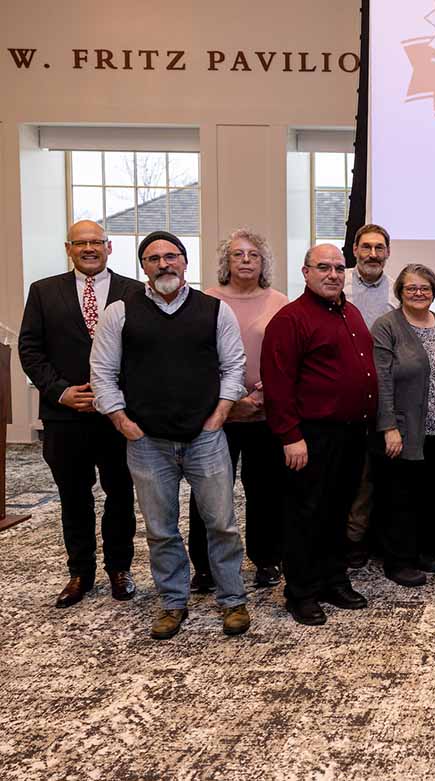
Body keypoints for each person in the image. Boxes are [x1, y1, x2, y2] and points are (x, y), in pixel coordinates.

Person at [90, 231, 250, 640]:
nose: (164, 264)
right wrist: (124, 424)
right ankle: (172, 603)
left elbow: (234, 367)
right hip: (147, 443)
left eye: (172, 256)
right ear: (143, 266)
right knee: (161, 529)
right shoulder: (120, 312)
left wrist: (218, 416)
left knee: (222, 524)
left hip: (206, 438)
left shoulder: (215, 310)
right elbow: (103, 375)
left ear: (185, 262)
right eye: (154, 258)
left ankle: (232, 600)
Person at [18, 220, 141, 608]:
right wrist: (61, 392)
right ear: (68, 248)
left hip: (117, 415)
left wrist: (119, 397)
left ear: (109, 247)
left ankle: (119, 569)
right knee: (73, 496)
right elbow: (30, 349)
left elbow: (146, 352)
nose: (89, 248)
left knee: (120, 493)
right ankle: (80, 573)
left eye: (96, 242)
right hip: (65, 416)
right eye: (81, 242)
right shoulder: (43, 291)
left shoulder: (134, 292)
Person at [261, 243, 377, 626]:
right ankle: (302, 592)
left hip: (351, 433)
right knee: (305, 514)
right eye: (323, 267)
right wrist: (290, 436)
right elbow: (278, 384)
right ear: (306, 272)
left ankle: (333, 579)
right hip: (310, 436)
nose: (333, 274)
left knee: (338, 510)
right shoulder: (290, 319)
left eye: (339, 268)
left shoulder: (352, 312)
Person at [186, 230, 289, 593]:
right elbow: (195, 360)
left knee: (266, 492)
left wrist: (258, 399)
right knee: (210, 494)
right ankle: (205, 565)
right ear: (225, 262)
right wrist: (228, 403)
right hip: (217, 417)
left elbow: (286, 360)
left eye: (253, 255)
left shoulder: (280, 302)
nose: (245, 260)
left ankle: (267, 559)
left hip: (266, 413)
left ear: (263, 263)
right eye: (237, 255)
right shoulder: (205, 301)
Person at [371, 264, 435, 588]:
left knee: (430, 494)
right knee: (399, 497)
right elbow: (381, 381)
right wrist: (388, 426)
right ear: (400, 292)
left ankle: (422, 550)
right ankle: (398, 560)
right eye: (411, 288)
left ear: (434, 291)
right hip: (403, 428)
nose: (419, 293)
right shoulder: (387, 326)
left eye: (425, 288)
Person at [344, 224, 399, 569]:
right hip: (347, 394)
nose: (373, 254)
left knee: (379, 474)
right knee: (351, 473)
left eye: (379, 248)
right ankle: (349, 539)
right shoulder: (339, 284)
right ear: (355, 250)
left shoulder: (398, 292)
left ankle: (372, 539)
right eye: (366, 247)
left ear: (388, 253)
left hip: (386, 393)